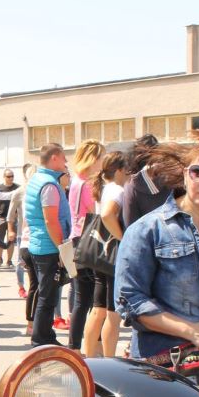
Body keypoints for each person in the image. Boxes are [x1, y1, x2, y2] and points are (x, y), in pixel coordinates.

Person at [116, 131, 199, 397]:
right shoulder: (148, 230)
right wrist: (193, 331)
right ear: (185, 175)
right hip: (169, 369)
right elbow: (130, 302)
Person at [24, 143, 70, 346]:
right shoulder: (49, 185)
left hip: (39, 243)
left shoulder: (37, 179)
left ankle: (43, 336)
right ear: (54, 158)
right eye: (63, 157)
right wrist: (61, 247)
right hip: (48, 246)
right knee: (48, 295)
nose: (66, 161)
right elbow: (51, 221)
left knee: (46, 293)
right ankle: (41, 339)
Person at [83, 151, 127, 358]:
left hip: (101, 253)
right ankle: (110, 361)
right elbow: (107, 214)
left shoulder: (103, 188)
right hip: (113, 254)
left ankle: (90, 356)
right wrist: (123, 238)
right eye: (126, 170)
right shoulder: (118, 190)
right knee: (112, 313)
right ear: (119, 171)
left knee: (98, 309)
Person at [67, 140, 106, 350]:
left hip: (77, 239)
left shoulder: (76, 181)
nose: (103, 162)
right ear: (93, 159)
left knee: (82, 299)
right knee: (92, 302)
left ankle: (75, 346)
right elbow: (98, 211)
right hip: (89, 241)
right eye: (101, 158)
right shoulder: (87, 184)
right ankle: (89, 346)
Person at [7, 164, 33, 301]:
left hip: (35, 233)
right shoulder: (19, 192)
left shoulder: (38, 189)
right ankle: (21, 287)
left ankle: (33, 287)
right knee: (20, 262)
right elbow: (10, 215)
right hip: (21, 233)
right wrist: (10, 230)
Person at [0, 168, 19, 266]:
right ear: (4, 177)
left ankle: (9, 260)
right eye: (9, 176)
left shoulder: (17, 188)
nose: (11, 178)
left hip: (13, 218)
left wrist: (17, 213)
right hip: (1, 217)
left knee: (11, 240)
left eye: (12, 176)